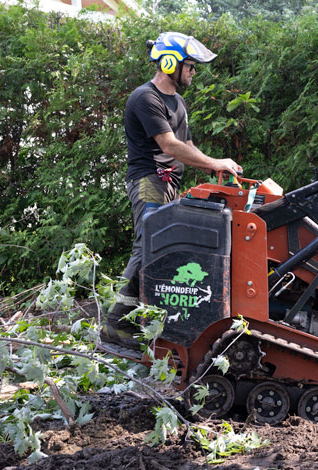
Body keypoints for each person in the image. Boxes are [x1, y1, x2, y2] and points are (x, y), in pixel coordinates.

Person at [101, 32, 242, 350]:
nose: (194, 71)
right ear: (169, 63)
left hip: (169, 185)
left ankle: (149, 326)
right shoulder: (145, 98)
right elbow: (169, 145)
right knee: (147, 248)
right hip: (149, 180)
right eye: (190, 65)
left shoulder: (177, 102)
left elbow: (187, 145)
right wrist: (216, 160)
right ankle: (116, 328)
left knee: (165, 251)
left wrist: (216, 168)